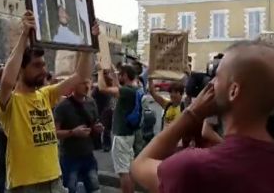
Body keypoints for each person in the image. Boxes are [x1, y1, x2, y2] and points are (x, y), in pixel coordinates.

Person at [131, 40, 274, 193]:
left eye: (217, 77)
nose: (210, 83)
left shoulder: (194, 167)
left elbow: (140, 165)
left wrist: (192, 114)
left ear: (233, 91)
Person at [0, 11, 99, 192]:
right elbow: (6, 82)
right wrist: (24, 36)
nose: (43, 70)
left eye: (44, 65)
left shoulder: (45, 94)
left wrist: (87, 45)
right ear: (21, 69)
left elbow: (81, 75)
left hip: (55, 180)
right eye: (37, 65)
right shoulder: (10, 102)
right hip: (26, 185)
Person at [55, 78, 103, 193]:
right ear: (73, 85)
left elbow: (94, 124)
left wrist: (97, 128)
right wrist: (73, 132)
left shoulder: (91, 102)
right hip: (69, 157)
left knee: (95, 188)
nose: (87, 86)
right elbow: (54, 133)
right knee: (70, 188)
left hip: (88, 155)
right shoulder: (62, 106)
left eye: (88, 82)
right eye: (83, 82)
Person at [98, 64, 138, 193]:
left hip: (121, 136)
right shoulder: (133, 88)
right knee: (128, 169)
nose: (118, 76)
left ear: (125, 76)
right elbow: (117, 87)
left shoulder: (127, 91)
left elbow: (102, 88)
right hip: (128, 134)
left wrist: (99, 71)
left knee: (123, 172)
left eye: (121, 74)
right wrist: (114, 75)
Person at [91, 69, 115, 152]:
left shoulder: (104, 84)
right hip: (102, 106)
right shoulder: (100, 84)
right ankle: (101, 144)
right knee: (102, 126)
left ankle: (103, 144)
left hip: (103, 106)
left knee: (104, 127)